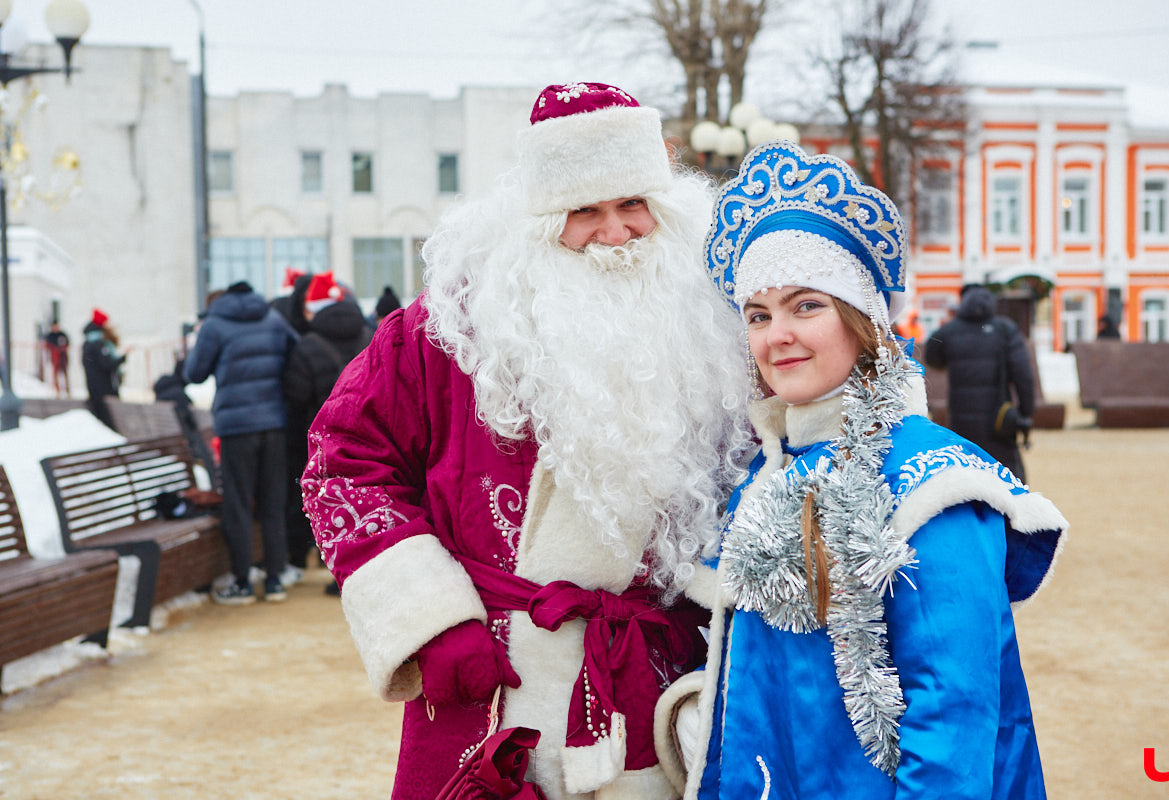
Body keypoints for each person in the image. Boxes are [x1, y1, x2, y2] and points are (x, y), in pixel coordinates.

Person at [301, 81, 750, 799]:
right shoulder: (446, 330)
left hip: (654, 677)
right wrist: (431, 621)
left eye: (633, 205)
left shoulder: (715, 326)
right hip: (491, 680)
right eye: (584, 210)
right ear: (540, 219)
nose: (615, 233)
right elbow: (342, 462)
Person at [652, 141, 1068, 800]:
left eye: (805, 305)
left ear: (860, 318)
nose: (775, 335)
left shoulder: (932, 482)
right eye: (758, 315)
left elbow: (953, 718)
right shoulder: (767, 474)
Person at [183, 281, 299, 605]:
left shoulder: (215, 325)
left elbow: (194, 373)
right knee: (272, 501)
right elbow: (296, 351)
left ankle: (242, 581)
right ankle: (274, 579)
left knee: (238, 502)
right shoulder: (273, 319)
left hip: (236, 427)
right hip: (275, 423)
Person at [282, 271, 372, 586]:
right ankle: (365, 567)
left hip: (325, 438)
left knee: (330, 500)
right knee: (365, 499)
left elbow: (296, 396)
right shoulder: (369, 334)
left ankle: (337, 568)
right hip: (369, 431)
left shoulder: (308, 345)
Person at [923, 284, 1036, 482]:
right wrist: (1026, 412)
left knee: (968, 472)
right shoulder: (1005, 330)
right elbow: (1023, 375)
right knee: (1007, 477)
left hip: (961, 419)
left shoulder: (949, 331)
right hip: (1000, 421)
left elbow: (932, 357)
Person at [81, 308, 126, 430]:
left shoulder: (87, 343)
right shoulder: (97, 343)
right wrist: (123, 358)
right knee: (109, 420)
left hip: (94, 388)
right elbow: (106, 364)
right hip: (104, 388)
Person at [43, 322, 71, 397]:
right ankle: (57, 390)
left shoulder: (62, 334)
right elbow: (47, 345)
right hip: (55, 357)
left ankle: (67, 390)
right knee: (55, 374)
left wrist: (62, 349)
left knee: (65, 373)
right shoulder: (50, 336)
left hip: (63, 356)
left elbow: (67, 343)